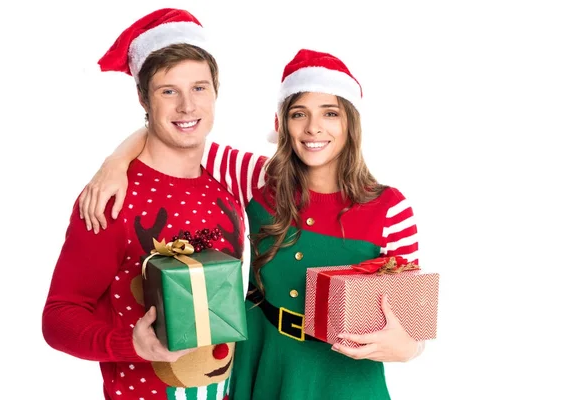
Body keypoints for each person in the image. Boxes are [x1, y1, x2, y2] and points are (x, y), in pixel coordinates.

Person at [79, 48, 425, 399]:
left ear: (350, 123)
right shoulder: (259, 178)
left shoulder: (389, 208)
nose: (313, 128)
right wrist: (114, 162)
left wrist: (410, 350)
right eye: (298, 114)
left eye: (330, 113)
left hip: (341, 379)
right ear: (282, 124)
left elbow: (412, 325)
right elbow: (178, 134)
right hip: (260, 363)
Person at [42, 8, 247, 400]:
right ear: (143, 97)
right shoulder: (110, 199)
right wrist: (130, 345)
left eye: (199, 88)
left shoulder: (225, 188)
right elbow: (59, 317)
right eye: (169, 91)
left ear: (216, 92)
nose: (187, 107)